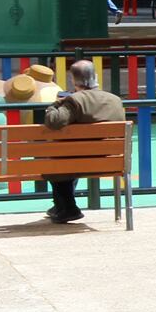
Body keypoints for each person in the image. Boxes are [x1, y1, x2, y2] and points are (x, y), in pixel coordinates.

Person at [41, 60, 125, 224]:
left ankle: (67, 207)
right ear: (95, 77)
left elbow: (54, 121)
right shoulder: (115, 100)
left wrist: (56, 104)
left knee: (59, 160)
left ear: (73, 80)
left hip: (79, 160)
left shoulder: (75, 100)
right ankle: (62, 206)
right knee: (71, 157)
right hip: (110, 161)